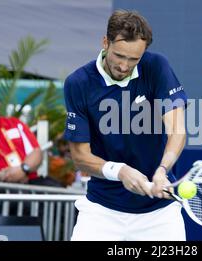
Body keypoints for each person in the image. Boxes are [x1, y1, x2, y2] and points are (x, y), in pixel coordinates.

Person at [64, 10, 188, 240]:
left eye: (133, 59)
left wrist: (163, 169)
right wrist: (120, 171)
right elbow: (80, 157)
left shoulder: (157, 67)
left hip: (159, 215)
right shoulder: (78, 83)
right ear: (105, 42)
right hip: (101, 212)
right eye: (119, 56)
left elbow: (177, 129)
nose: (124, 66)